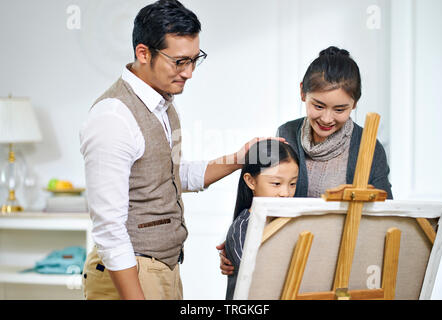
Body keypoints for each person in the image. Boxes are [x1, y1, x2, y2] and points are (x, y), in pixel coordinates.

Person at [80, 0, 282, 300]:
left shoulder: (163, 106)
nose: (189, 73)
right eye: (179, 61)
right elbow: (109, 229)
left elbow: (170, 175)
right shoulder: (113, 116)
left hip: (164, 268)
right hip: (129, 273)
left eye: (194, 59)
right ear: (143, 53)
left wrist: (239, 159)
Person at [218, 46, 393, 276]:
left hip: (343, 266)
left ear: (355, 103)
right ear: (303, 93)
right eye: (318, 106)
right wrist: (239, 243)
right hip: (289, 263)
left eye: (340, 109)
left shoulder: (368, 147)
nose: (327, 118)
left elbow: (386, 217)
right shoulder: (287, 133)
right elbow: (265, 194)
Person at [224, 139, 299, 299]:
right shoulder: (242, 228)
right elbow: (257, 277)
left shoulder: (291, 222)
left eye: (292, 184)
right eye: (276, 183)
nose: (286, 193)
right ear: (251, 181)